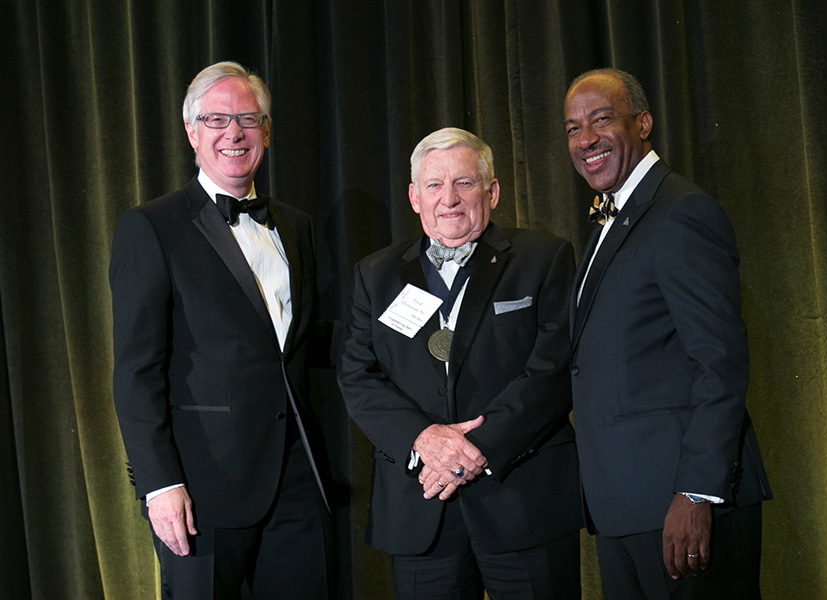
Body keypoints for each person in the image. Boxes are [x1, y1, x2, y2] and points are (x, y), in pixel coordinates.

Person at [109, 61, 334, 599]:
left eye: (248, 120)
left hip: (296, 482)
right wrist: (161, 484)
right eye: (216, 119)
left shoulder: (296, 225)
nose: (234, 133)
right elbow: (136, 371)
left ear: (267, 132)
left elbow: (294, 341)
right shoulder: (152, 227)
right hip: (202, 488)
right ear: (192, 132)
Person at [337, 127, 582, 599]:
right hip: (420, 508)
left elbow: (552, 370)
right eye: (433, 185)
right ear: (414, 197)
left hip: (522, 501)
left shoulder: (543, 258)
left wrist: (477, 449)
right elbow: (357, 375)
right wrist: (425, 440)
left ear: (491, 191)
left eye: (464, 183)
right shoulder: (376, 274)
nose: (448, 198)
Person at [563, 68, 772, 598]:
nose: (585, 139)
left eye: (601, 119)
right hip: (625, 509)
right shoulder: (616, 219)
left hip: (679, 510)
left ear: (644, 123)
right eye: (571, 128)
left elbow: (719, 361)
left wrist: (697, 494)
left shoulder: (680, 212)